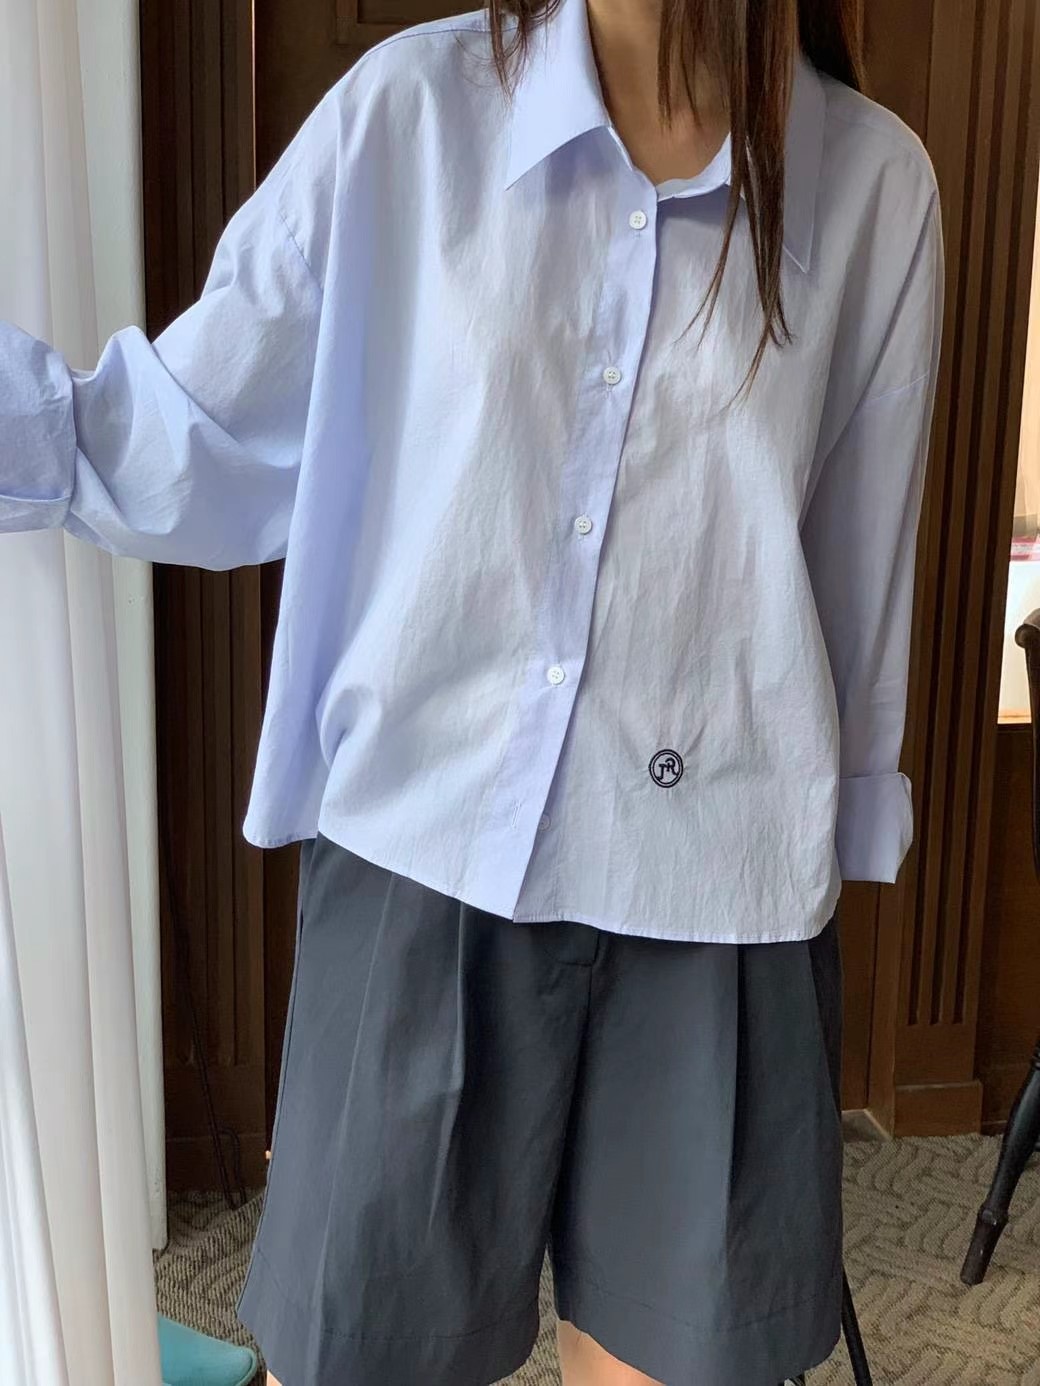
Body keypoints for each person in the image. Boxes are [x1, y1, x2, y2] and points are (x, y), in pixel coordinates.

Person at [0, 0, 944, 1379]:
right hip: (424, 860)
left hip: (721, 891)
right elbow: (197, 429)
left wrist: (839, 824)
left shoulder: (873, 183)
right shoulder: (412, 115)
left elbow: (860, 563)